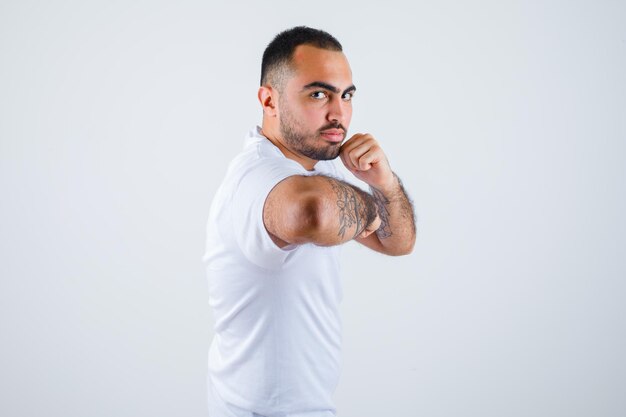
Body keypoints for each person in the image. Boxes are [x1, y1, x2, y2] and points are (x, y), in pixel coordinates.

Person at [202, 26, 416, 417]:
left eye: (346, 95)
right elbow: (314, 212)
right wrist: (370, 208)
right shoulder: (257, 176)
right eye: (318, 94)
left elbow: (398, 242)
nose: (338, 114)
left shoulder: (308, 170)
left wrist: (384, 184)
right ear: (269, 101)